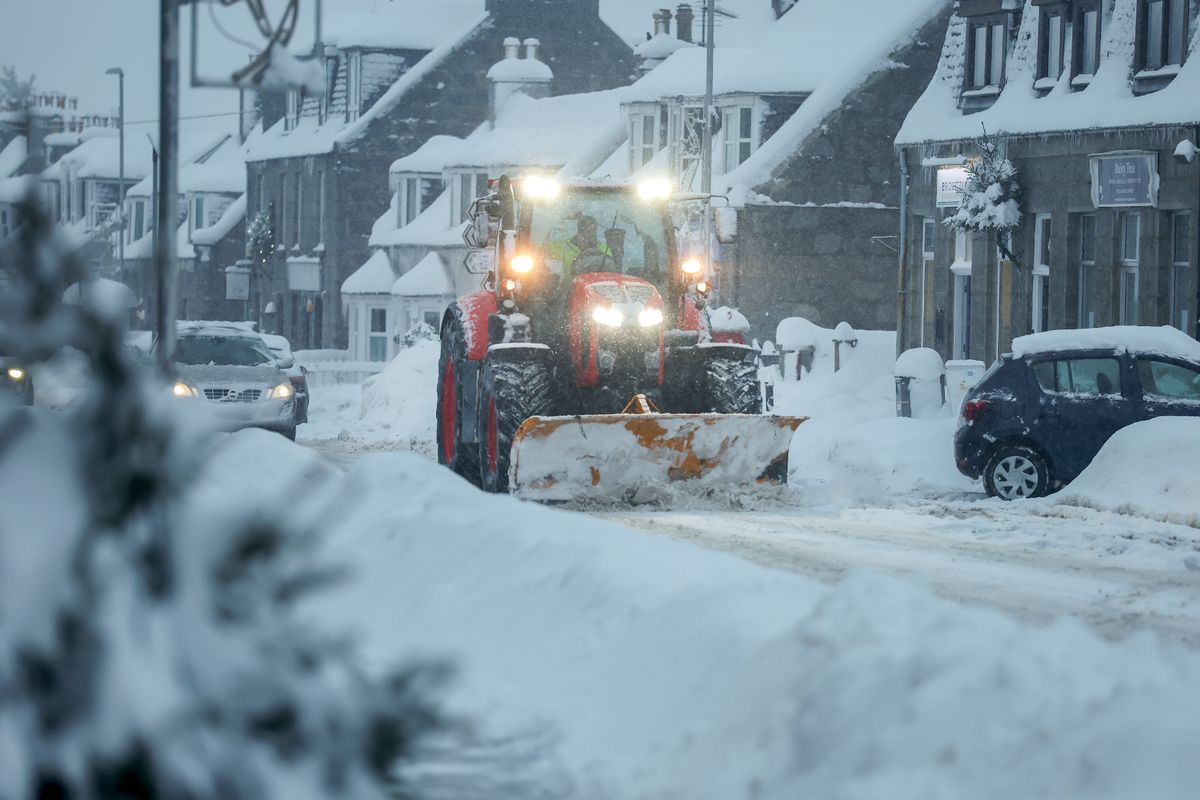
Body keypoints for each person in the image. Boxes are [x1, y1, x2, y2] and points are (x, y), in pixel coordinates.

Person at [542, 214, 613, 283]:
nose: (590, 236)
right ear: (578, 232)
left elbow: (611, 270)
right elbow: (540, 251)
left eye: (593, 231)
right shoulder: (562, 247)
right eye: (586, 232)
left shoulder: (604, 248)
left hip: (600, 286)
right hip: (569, 287)